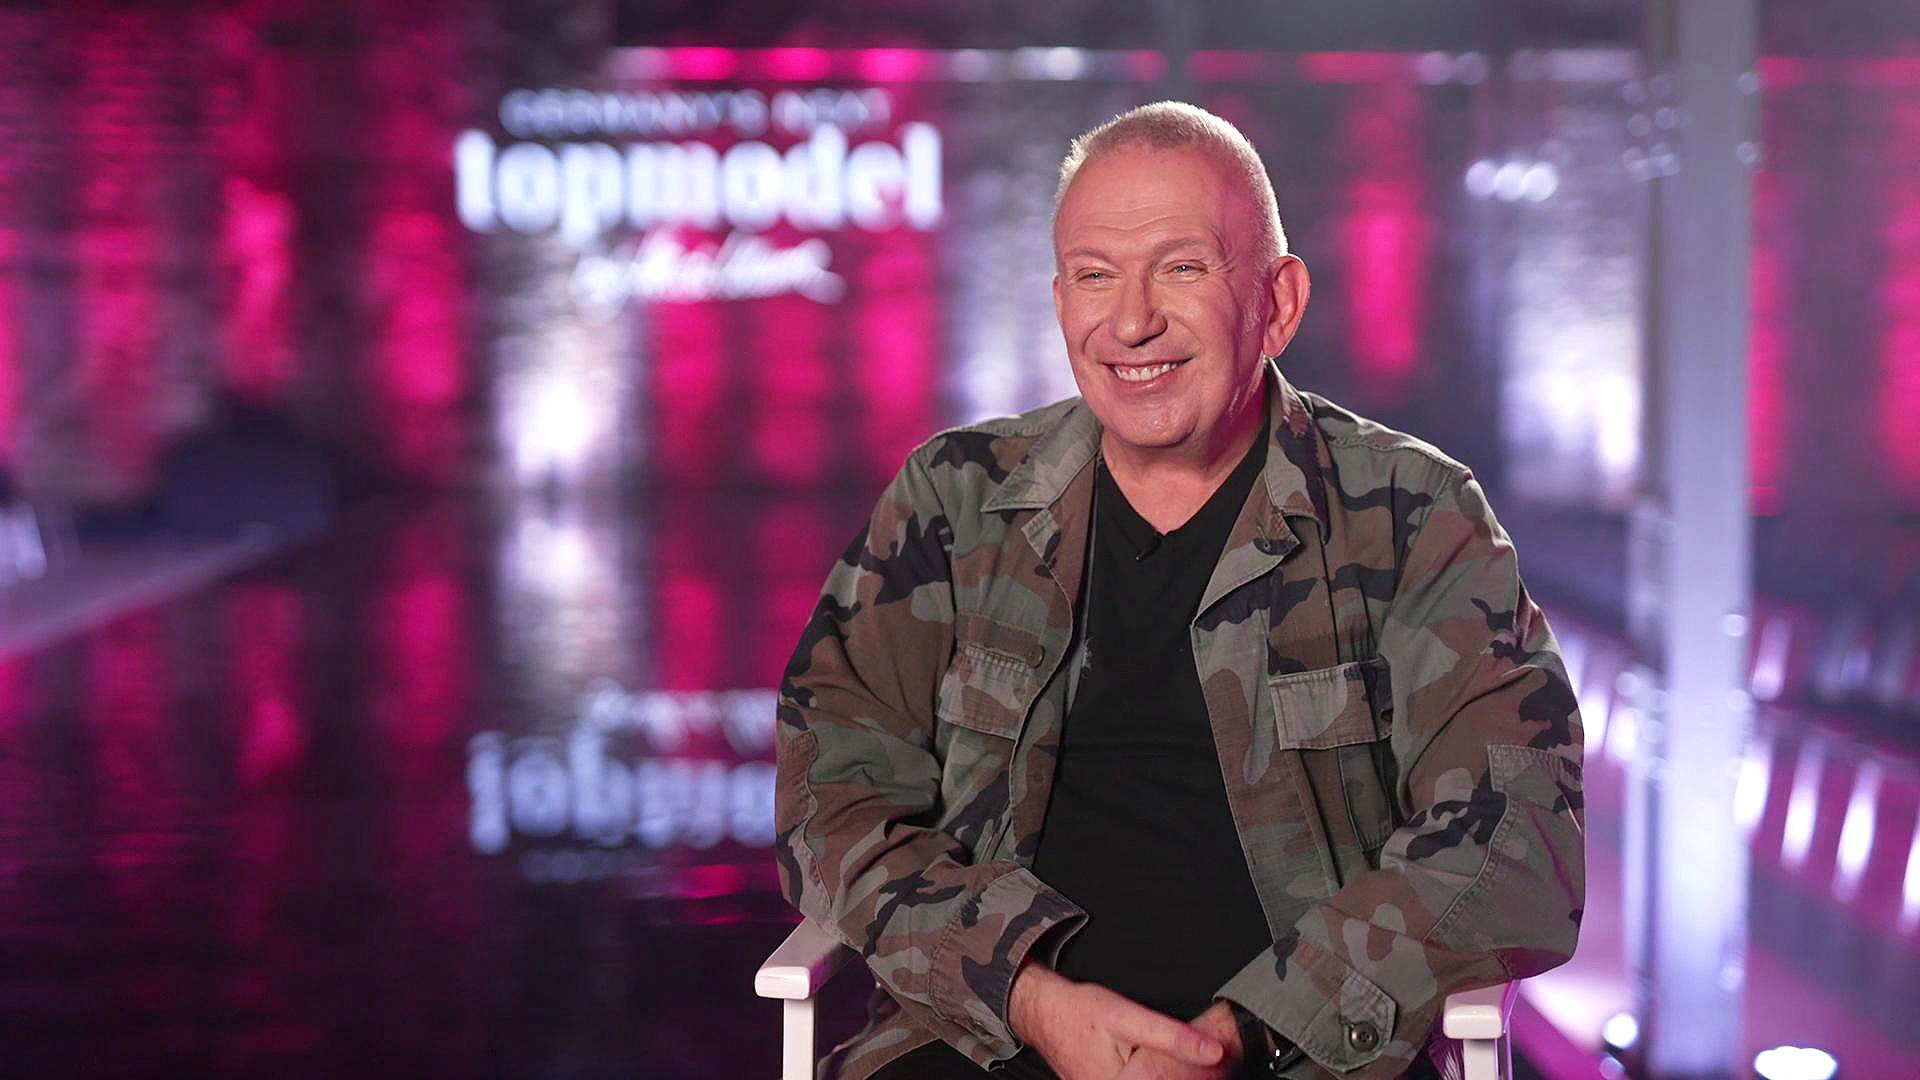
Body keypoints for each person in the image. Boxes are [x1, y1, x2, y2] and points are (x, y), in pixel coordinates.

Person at [774, 101, 1584, 1080]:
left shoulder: (1414, 514)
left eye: (1182, 268)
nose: (1131, 322)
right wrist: (1027, 998)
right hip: (988, 1042)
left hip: (1303, 1056)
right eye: (1095, 276)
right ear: (1060, 300)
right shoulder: (953, 500)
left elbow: (1515, 836)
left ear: (1277, 303)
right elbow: (829, 799)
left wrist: (1242, 1036)